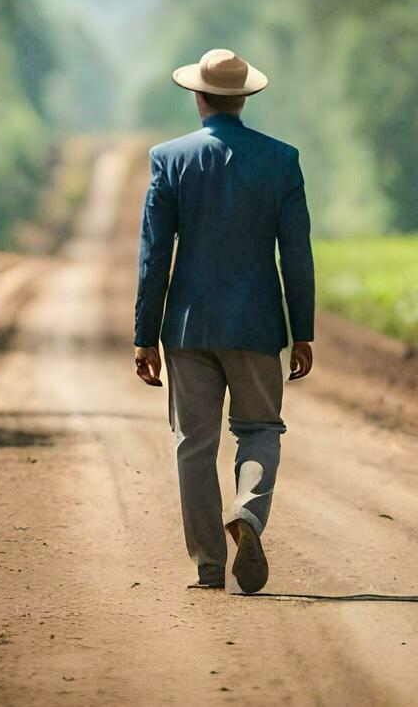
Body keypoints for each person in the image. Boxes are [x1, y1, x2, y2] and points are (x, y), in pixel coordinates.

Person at [133, 48, 315, 594]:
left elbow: (154, 255)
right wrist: (301, 328)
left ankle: (209, 565)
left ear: (199, 95)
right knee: (259, 430)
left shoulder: (169, 159)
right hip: (258, 326)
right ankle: (248, 514)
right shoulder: (282, 161)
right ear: (244, 97)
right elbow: (296, 253)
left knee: (194, 443)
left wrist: (145, 335)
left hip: (188, 328)